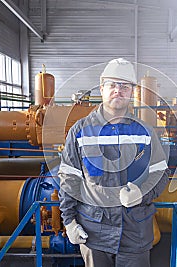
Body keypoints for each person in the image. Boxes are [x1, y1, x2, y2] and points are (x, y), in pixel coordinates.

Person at [58, 58, 169, 267]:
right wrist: (69, 222)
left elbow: (161, 173)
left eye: (124, 86)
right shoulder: (80, 131)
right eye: (112, 85)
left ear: (132, 92)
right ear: (102, 88)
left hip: (135, 233)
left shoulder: (145, 132)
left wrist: (142, 193)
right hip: (94, 233)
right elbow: (69, 179)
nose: (118, 90)